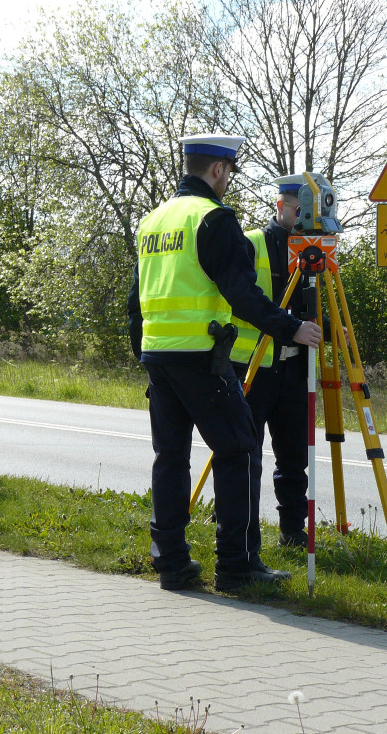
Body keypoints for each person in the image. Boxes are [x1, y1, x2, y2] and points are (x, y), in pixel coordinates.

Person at [126, 135, 322, 592]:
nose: (228, 181)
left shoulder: (152, 221)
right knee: (238, 452)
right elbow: (240, 292)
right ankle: (235, 565)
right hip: (202, 358)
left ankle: (171, 562)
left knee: (170, 458)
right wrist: (288, 327)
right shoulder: (213, 217)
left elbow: (135, 302)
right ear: (217, 170)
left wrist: (144, 352)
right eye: (229, 173)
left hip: (160, 355)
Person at [234, 174, 323, 549]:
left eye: (310, 211)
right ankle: (239, 529)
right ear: (280, 206)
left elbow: (315, 313)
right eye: (296, 209)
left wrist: (333, 332)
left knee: (293, 456)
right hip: (254, 366)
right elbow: (245, 301)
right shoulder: (253, 244)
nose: (302, 217)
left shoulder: (316, 251)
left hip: (295, 369)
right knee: (244, 454)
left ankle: (292, 530)